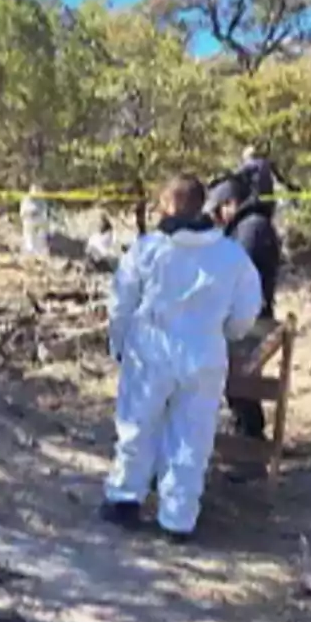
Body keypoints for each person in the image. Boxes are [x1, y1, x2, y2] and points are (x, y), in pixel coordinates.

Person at [100, 174, 263, 542]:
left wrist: (120, 344)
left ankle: (125, 499)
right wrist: (225, 333)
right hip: (203, 352)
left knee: (137, 426)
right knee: (192, 436)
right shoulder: (230, 256)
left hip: (151, 348)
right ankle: (177, 518)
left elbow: (121, 302)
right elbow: (246, 311)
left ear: (169, 205)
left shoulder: (148, 250)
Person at [204, 174, 283, 479]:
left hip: (252, 320)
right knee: (238, 384)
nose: (216, 218)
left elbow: (237, 276)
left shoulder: (250, 229)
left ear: (230, 204)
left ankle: (249, 453)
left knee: (240, 382)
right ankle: (245, 445)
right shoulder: (247, 227)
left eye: (217, 210)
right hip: (249, 316)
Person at [19, 185, 52, 256]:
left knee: (42, 235)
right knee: (29, 235)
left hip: (39, 220)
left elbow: (44, 212)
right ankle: (30, 251)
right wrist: (29, 214)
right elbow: (22, 212)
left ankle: (41, 252)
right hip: (28, 220)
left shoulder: (41, 200)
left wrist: (38, 214)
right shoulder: (26, 199)